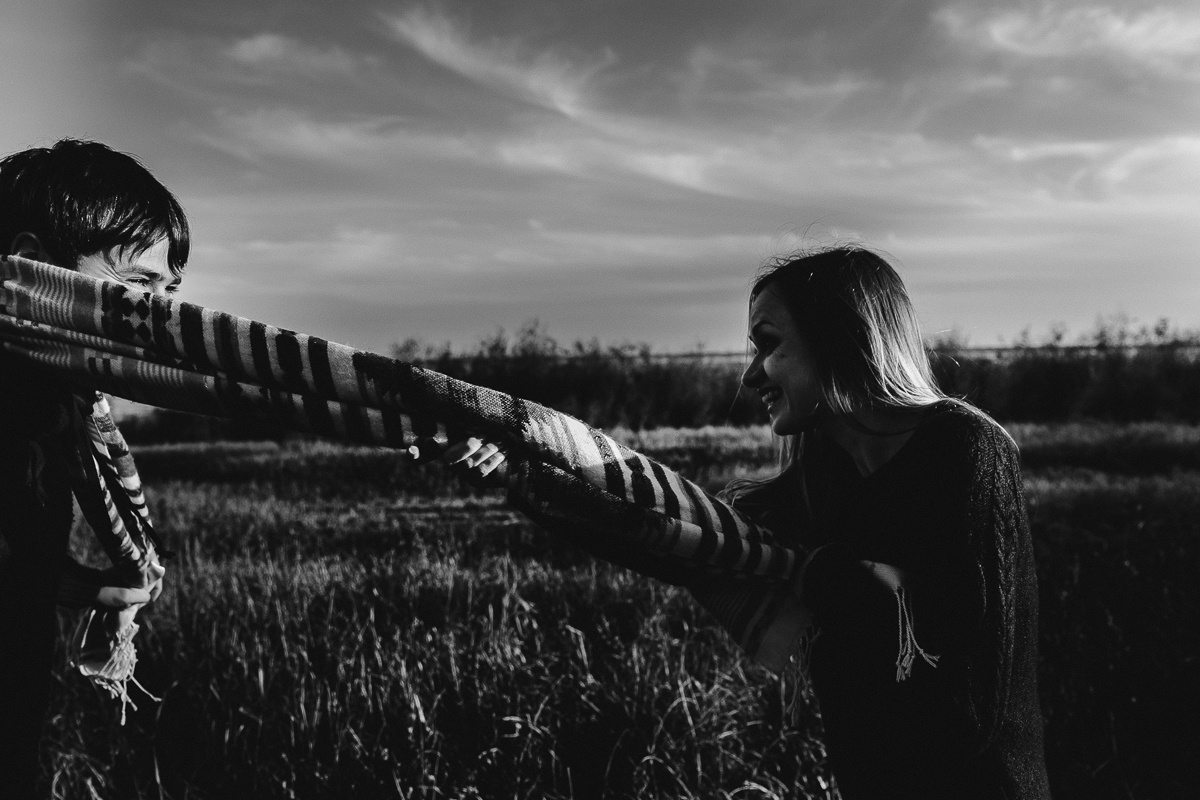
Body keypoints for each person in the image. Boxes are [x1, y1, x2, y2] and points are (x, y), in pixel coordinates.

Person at [447, 245, 1051, 798]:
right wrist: (519, 475)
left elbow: (970, 695)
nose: (750, 375)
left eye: (768, 344)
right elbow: (671, 537)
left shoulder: (964, 452)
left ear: (840, 338)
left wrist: (827, 580)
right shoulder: (822, 485)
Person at [0, 139, 187, 798]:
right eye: (138, 286)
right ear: (29, 269)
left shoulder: (65, 401)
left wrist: (85, 586)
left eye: (170, 291)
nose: (160, 316)